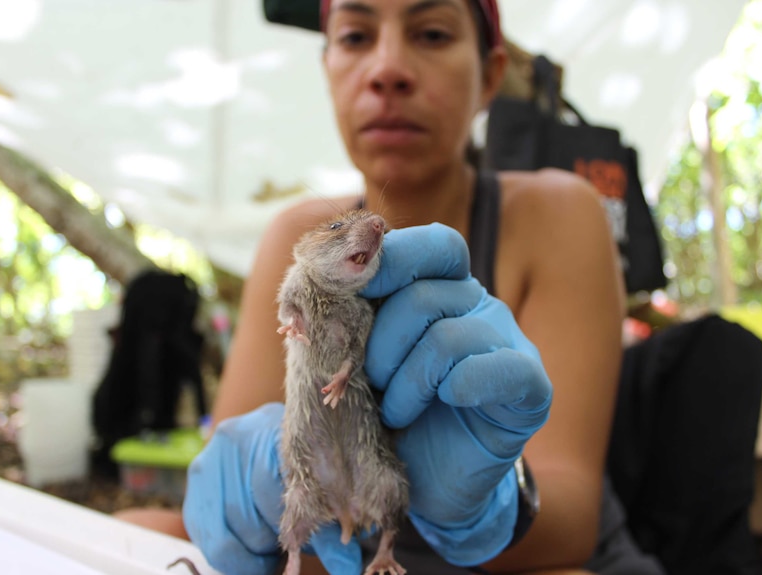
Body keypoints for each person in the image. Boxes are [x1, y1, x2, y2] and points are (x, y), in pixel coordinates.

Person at [118, 0, 667, 573]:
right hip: (363, 548)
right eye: (355, 37)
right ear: (327, 67)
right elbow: (232, 500)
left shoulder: (558, 214)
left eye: (431, 33)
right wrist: (249, 505)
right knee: (133, 532)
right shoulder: (292, 238)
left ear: (490, 77)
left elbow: (572, 521)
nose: (387, 69)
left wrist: (488, 507)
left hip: (524, 559)